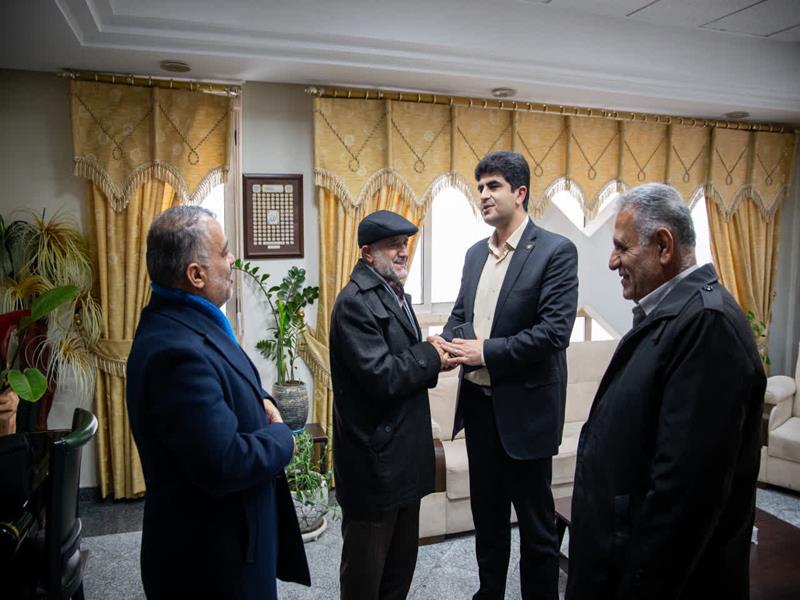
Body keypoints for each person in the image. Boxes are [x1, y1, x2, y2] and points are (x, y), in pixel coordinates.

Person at [566, 183, 766, 600]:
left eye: (621, 247)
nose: (612, 261)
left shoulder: (708, 328)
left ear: (663, 246)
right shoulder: (674, 315)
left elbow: (684, 495)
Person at [126, 206, 310, 600]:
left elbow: (228, 375)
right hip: (211, 565)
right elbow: (225, 463)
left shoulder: (189, 318)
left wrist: (261, 399)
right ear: (196, 275)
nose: (232, 260)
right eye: (224, 252)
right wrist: (284, 437)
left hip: (234, 543)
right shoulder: (174, 353)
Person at [435, 150, 579, 599]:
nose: (483, 194)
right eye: (479, 187)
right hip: (479, 410)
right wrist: (448, 344)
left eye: (493, 186)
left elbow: (554, 333)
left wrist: (485, 352)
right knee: (488, 521)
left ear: (520, 193)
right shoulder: (474, 254)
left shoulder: (555, 251)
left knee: (536, 528)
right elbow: (460, 316)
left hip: (527, 412)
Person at [330, 210, 450, 600]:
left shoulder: (393, 292)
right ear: (367, 253)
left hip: (403, 462)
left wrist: (429, 353)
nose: (403, 252)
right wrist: (431, 356)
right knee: (365, 579)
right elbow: (381, 376)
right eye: (392, 245)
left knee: (399, 572)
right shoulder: (355, 303)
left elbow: (400, 360)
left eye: (405, 244)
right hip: (374, 468)